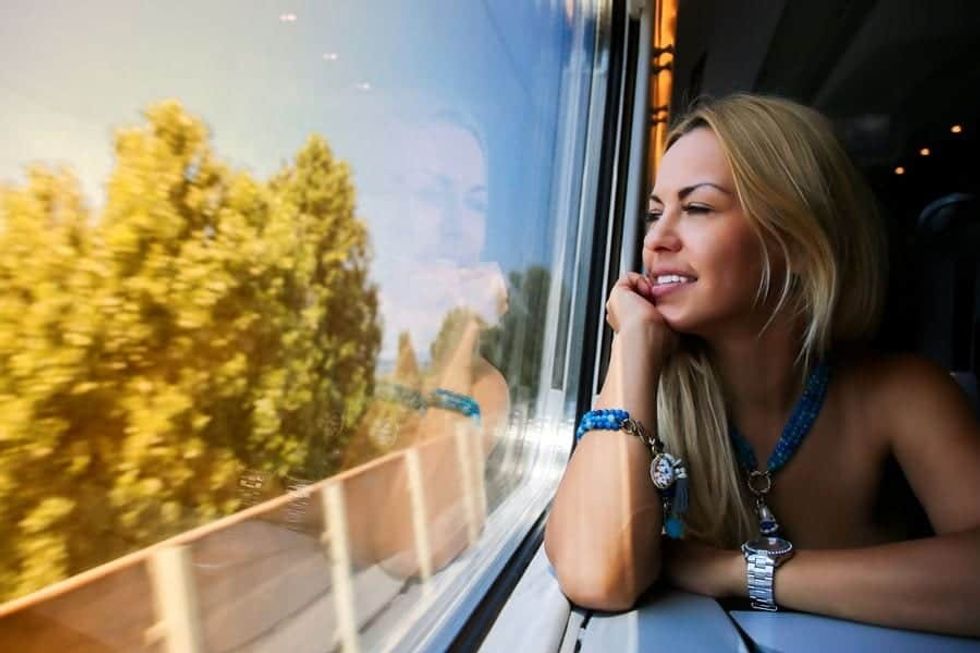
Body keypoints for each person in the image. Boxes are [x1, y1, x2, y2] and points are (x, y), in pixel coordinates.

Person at [544, 94, 980, 636]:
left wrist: (739, 571)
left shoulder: (902, 392)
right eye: (655, 213)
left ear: (794, 240)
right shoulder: (640, 395)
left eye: (697, 208)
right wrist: (631, 344)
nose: (656, 240)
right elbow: (596, 577)